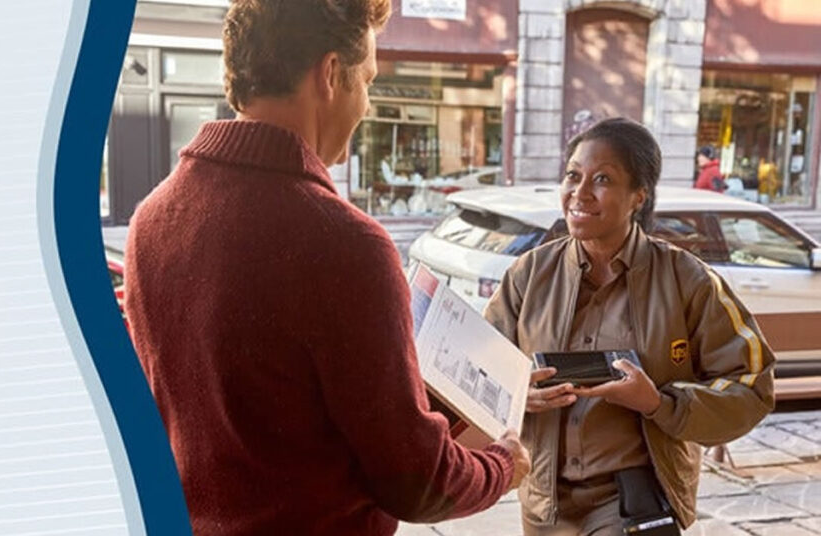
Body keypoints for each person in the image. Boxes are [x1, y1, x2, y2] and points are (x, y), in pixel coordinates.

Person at [123, 1, 529, 535]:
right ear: (332, 74)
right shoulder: (347, 245)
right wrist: (503, 465)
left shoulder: (149, 220)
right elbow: (418, 482)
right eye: (367, 81)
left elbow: (261, 399)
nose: (366, 104)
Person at [484, 118, 775, 535]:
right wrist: (518, 395)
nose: (580, 193)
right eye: (573, 175)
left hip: (633, 500)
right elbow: (480, 375)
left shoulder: (687, 279)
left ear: (638, 196)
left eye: (602, 179)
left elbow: (753, 383)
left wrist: (656, 402)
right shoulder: (528, 275)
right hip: (543, 501)